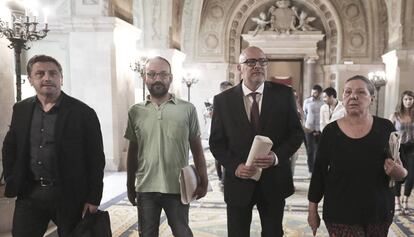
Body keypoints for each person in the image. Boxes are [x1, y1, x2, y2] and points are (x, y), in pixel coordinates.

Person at [2, 55, 105, 237]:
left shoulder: (83, 113)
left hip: (70, 196)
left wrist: (93, 197)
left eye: (53, 73)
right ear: (31, 79)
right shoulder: (21, 109)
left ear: (61, 79)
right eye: (40, 74)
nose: (47, 78)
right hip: (30, 194)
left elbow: (96, 159)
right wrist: (12, 177)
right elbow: (10, 146)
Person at [209, 46, 304, 237]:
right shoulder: (223, 101)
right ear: (239, 68)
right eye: (251, 62)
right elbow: (217, 143)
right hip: (239, 181)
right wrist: (235, 166)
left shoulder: (284, 95)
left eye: (262, 62)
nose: (257, 66)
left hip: (274, 181)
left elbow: (296, 134)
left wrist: (276, 157)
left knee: (273, 233)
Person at [124, 56, 208, 237]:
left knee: (182, 233)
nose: (157, 79)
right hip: (146, 187)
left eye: (163, 74)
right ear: (145, 78)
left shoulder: (187, 109)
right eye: (151, 74)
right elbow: (133, 151)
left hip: (178, 187)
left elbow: (197, 149)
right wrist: (130, 183)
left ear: (170, 78)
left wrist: (204, 179)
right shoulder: (136, 111)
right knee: (146, 234)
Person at [308, 75, 399, 236]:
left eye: (360, 92)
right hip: (340, 213)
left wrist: (398, 172)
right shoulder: (330, 132)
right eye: (348, 92)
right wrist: (312, 209)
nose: (353, 96)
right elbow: (319, 174)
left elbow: (402, 171)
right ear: (342, 98)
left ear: (372, 98)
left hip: (378, 212)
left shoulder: (385, 127)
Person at [390, 90, 414, 215]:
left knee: (411, 175)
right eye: (406, 99)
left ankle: (405, 200)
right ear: (402, 101)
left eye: (410, 99)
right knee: (399, 174)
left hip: (412, 147)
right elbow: (389, 131)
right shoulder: (396, 115)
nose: (408, 101)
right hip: (399, 147)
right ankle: (397, 202)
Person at [303, 84, 323, 176]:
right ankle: (311, 170)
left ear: (319, 93)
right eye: (312, 92)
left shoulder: (323, 103)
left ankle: (317, 169)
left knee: (319, 150)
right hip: (309, 128)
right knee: (310, 150)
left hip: (319, 129)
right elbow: (304, 113)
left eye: (315, 92)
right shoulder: (307, 102)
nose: (313, 94)